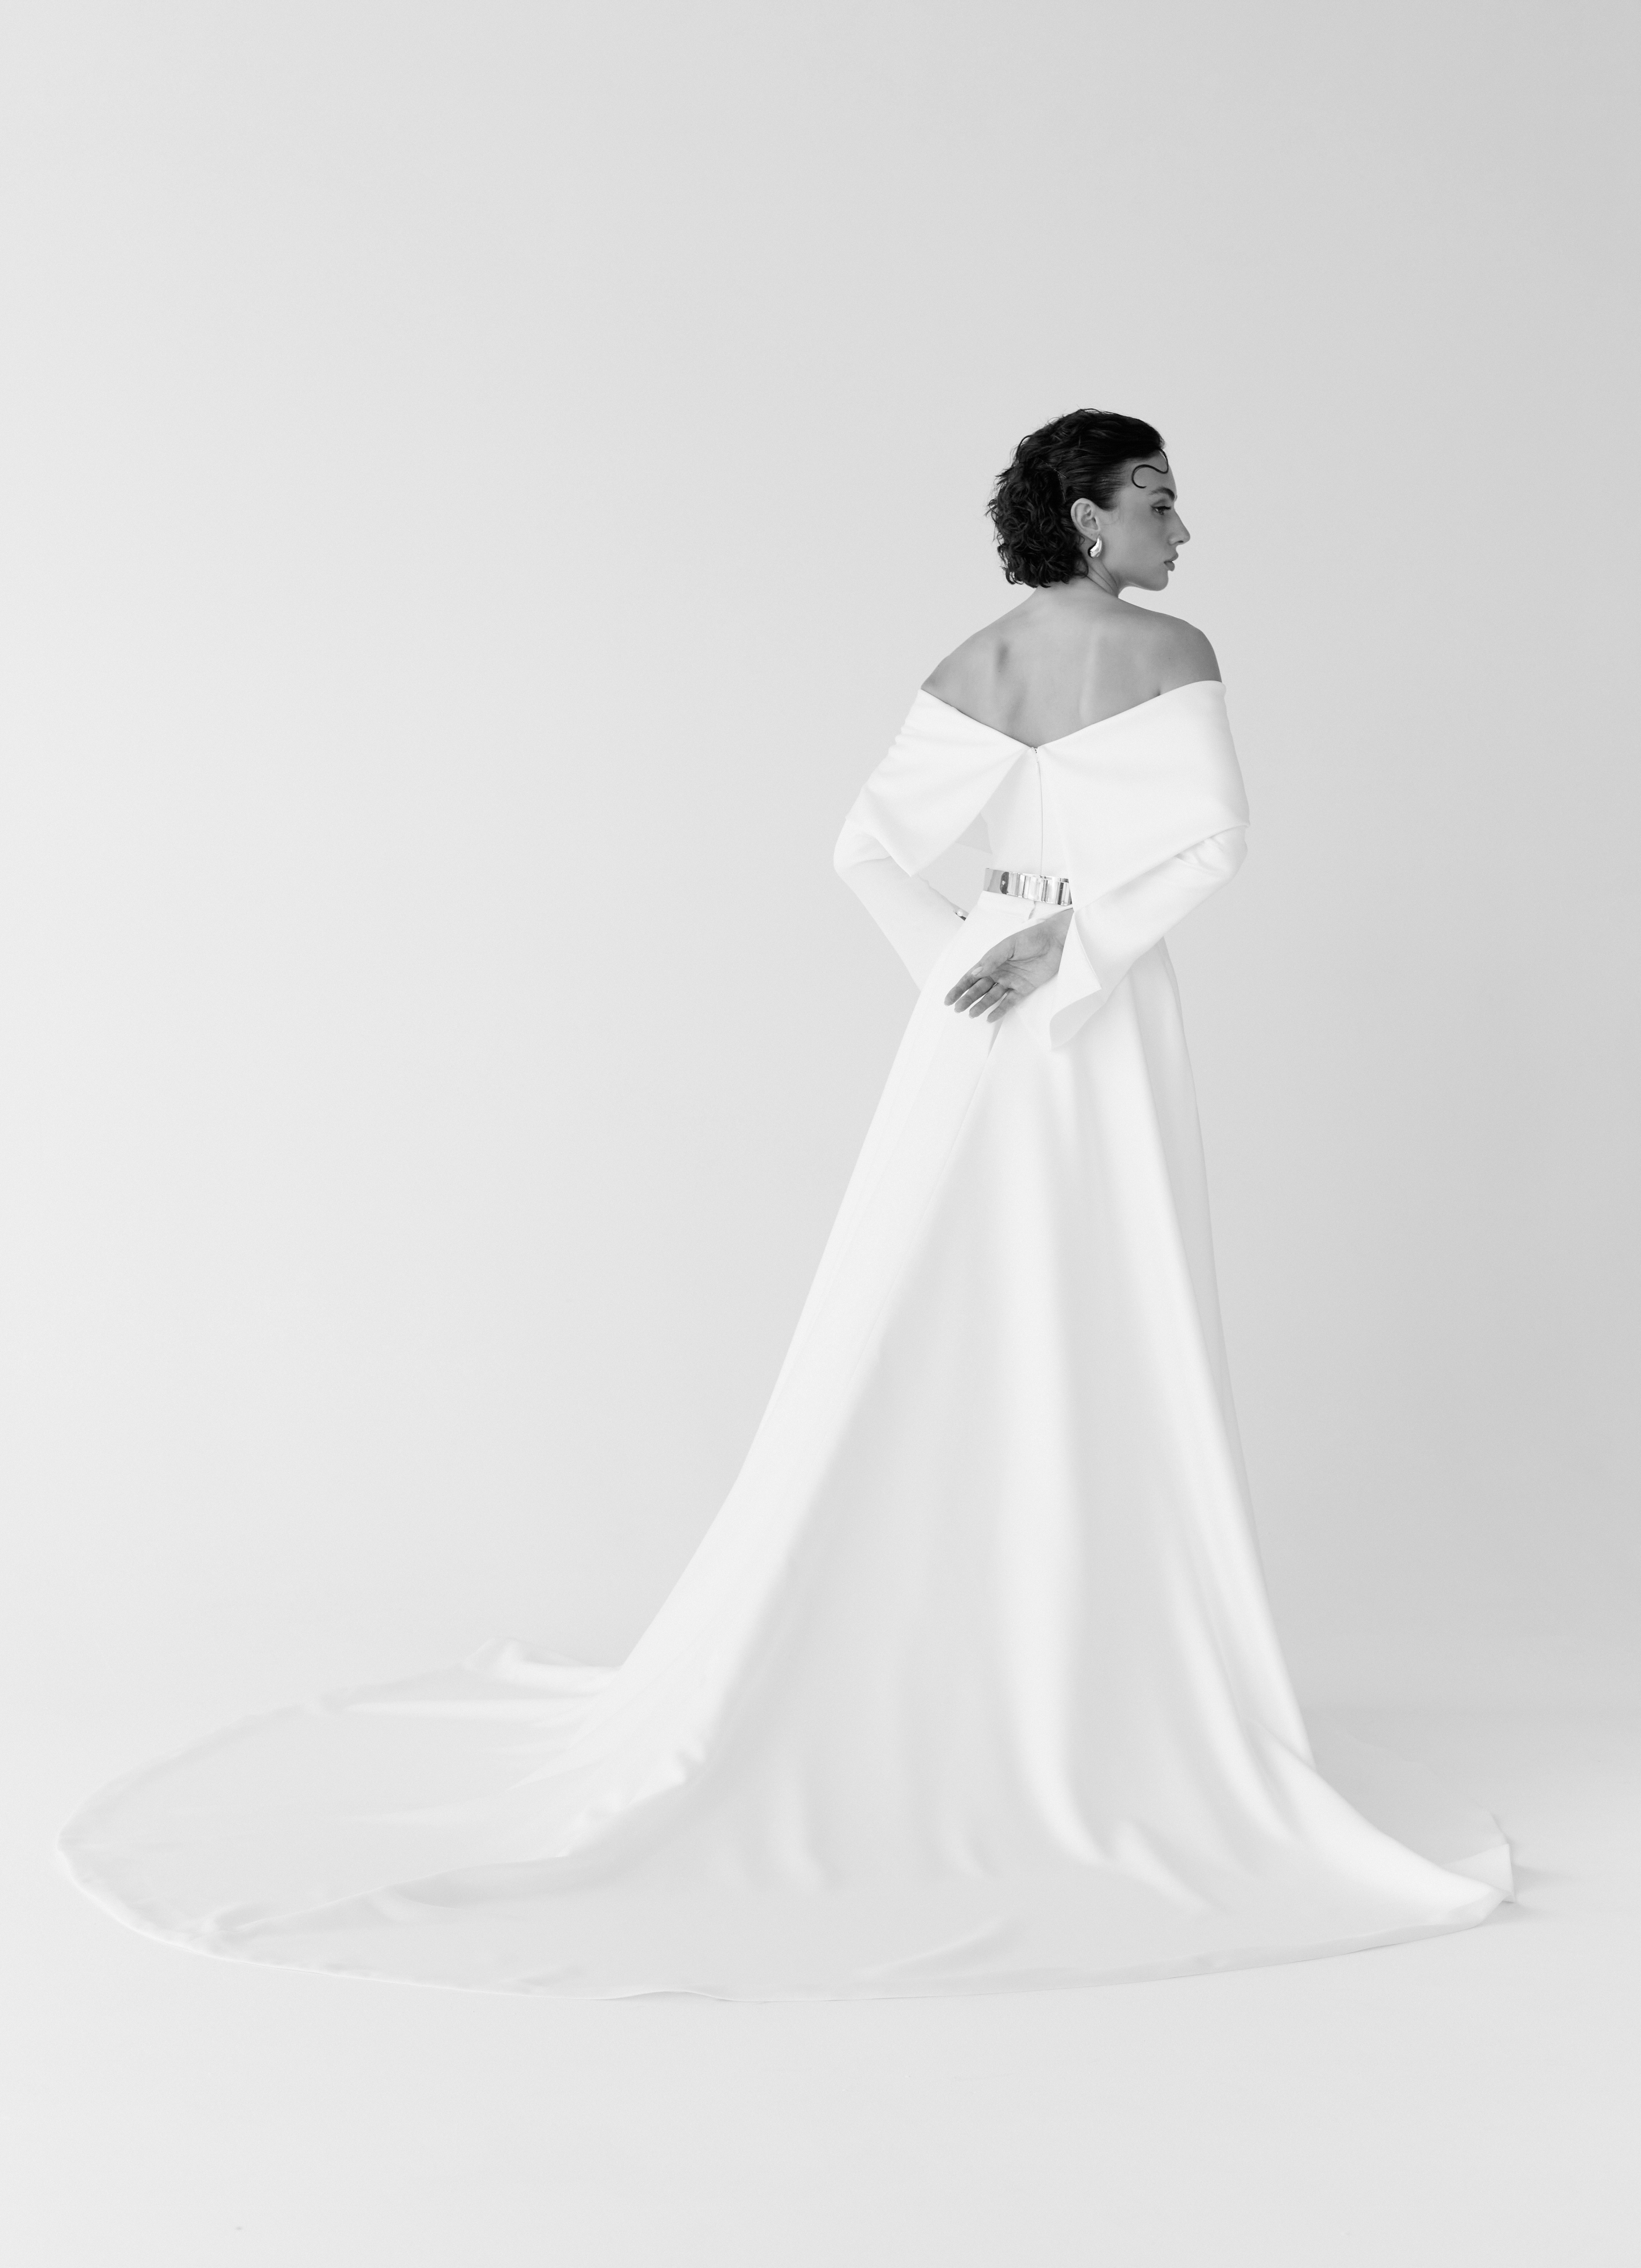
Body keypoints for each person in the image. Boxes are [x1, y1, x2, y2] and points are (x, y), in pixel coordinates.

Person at [58, 408, 1510, 1998]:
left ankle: (996, 1640)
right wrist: (1077, 952)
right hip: (1096, 1020)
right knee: (1106, 1293)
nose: (1183, 528)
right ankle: (1093, 1661)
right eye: (1159, 499)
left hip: (975, 1022)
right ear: (1090, 517)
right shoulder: (1175, 653)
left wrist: (975, 964)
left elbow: (863, 850)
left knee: (944, 1298)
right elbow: (1213, 843)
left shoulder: (974, 661)